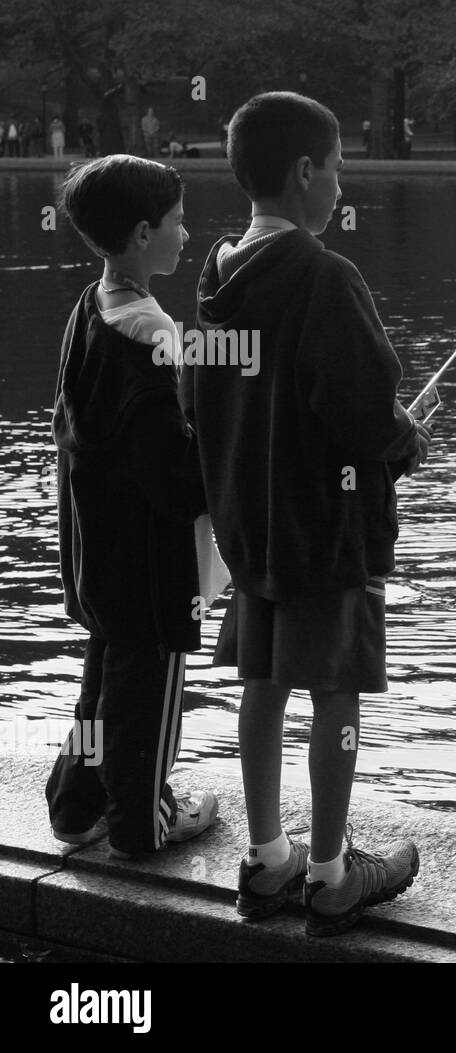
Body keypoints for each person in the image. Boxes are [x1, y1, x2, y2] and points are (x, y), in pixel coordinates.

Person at [181, 92, 428, 936]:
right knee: (336, 696)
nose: (339, 186)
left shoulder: (213, 277)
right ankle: (331, 873)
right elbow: (362, 413)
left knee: (262, 683)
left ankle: (266, 858)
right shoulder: (327, 277)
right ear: (304, 172)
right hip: (325, 530)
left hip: (249, 529)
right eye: (337, 170)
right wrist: (407, 440)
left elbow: (201, 395)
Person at [47, 154, 219, 860]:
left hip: (96, 551)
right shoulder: (149, 344)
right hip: (149, 569)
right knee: (146, 693)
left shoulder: (90, 308)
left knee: (104, 682)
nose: (187, 234)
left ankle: (74, 805)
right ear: (144, 232)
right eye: (178, 222)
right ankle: (140, 820)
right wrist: (217, 429)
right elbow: (177, 485)